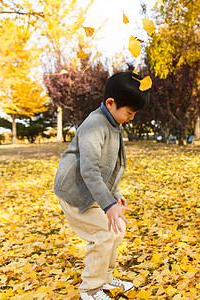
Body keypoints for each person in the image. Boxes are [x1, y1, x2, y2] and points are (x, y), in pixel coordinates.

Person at [54, 72, 150, 300]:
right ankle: (89, 290)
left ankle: (105, 278)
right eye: (129, 113)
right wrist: (108, 205)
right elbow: (89, 170)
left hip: (92, 191)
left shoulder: (113, 122)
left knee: (117, 230)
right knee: (103, 234)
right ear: (111, 103)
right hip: (75, 193)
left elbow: (110, 166)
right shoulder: (95, 124)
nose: (131, 118)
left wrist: (114, 194)